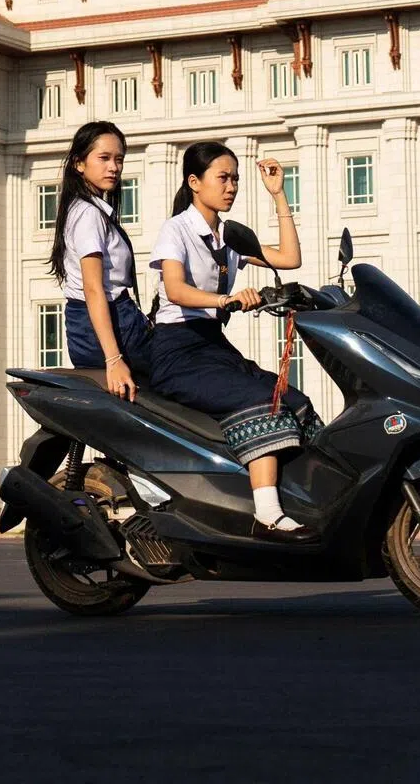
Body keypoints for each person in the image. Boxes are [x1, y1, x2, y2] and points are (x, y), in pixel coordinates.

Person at [148, 141, 324, 542]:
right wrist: (225, 299)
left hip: (213, 348)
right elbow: (175, 290)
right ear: (194, 182)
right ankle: (267, 514)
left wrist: (278, 194)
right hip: (178, 351)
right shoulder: (176, 230)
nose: (231, 187)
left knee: (296, 401)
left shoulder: (229, 235)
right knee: (266, 403)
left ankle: (308, 500)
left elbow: (290, 258)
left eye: (236, 180)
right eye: (223, 178)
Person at [48, 121, 151, 400]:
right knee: (183, 367)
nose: (114, 167)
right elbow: (93, 288)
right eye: (103, 158)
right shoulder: (88, 215)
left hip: (98, 325)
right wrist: (114, 359)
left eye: (119, 159)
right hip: (107, 327)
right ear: (79, 164)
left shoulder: (90, 210)